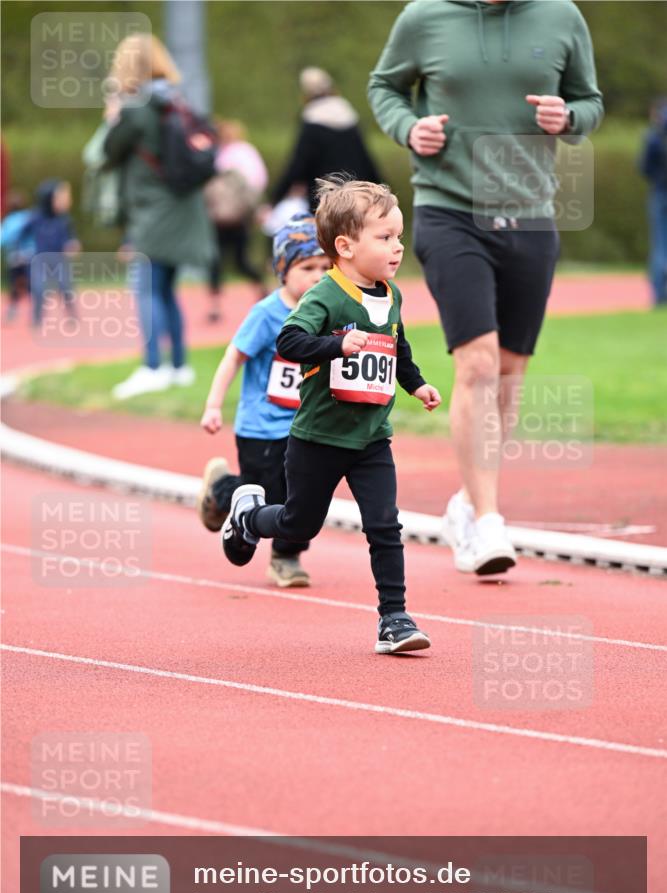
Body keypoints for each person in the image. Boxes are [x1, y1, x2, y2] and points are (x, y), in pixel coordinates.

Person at [368, 0, 604, 576]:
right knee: (477, 363)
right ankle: (489, 519)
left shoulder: (562, 16)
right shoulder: (424, 17)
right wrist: (408, 127)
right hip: (450, 210)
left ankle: (468, 502)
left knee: (509, 370)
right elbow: (384, 87)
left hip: (531, 214)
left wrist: (569, 117)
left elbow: (591, 103)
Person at [221, 176, 441, 654]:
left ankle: (394, 619)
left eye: (399, 236)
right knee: (299, 525)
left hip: (371, 438)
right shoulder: (325, 295)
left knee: (384, 524)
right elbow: (289, 341)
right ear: (345, 246)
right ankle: (250, 518)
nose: (397, 247)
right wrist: (336, 344)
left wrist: (417, 384)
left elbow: (397, 347)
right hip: (318, 438)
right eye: (385, 237)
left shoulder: (392, 294)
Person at [198, 214, 330, 588]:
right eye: (307, 267)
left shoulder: (327, 312)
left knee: (304, 495)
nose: (318, 276)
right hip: (260, 427)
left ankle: (286, 557)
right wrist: (213, 405)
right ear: (283, 270)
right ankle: (221, 490)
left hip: (304, 426)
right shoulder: (267, 314)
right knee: (263, 495)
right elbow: (233, 357)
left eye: (326, 267)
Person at [101, 34, 215, 400]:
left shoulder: (136, 109)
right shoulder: (175, 101)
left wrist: (112, 117)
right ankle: (178, 366)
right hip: (183, 209)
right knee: (166, 289)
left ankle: (152, 367)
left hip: (153, 212)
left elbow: (108, 152)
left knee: (146, 288)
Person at [272, 67, 381, 212]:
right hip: (355, 197)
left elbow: (298, 164)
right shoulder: (348, 116)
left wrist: (275, 198)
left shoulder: (311, 121)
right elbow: (365, 160)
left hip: (324, 200)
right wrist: (380, 190)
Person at [204, 119, 269, 323]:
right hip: (238, 217)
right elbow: (258, 182)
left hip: (221, 218)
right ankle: (261, 288)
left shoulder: (219, 155)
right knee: (238, 260)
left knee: (218, 261)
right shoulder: (244, 153)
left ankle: (215, 304)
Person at [24, 179, 79, 327]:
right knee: (39, 288)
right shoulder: (35, 217)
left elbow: (72, 237)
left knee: (66, 287)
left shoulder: (65, 219)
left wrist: (72, 244)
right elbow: (22, 235)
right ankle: (37, 319)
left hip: (59, 259)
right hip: (39, 260)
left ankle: (73, 315)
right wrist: (21, 252)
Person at [639, 97, 667, 307]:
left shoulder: (653, 136)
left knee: (660, 245)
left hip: (659, 192)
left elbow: (644, 167)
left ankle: (659, 294)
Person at [0, 190, 35, 322]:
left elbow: (3, 239)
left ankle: (13, 310)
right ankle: (35, 311)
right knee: (30, 284)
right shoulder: (29, 217)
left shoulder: (8, 221)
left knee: (15, 284)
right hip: (29, 255)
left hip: (15, 257)